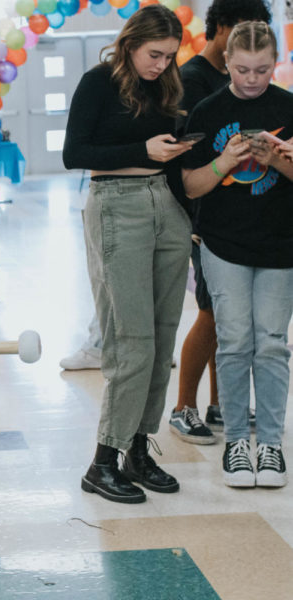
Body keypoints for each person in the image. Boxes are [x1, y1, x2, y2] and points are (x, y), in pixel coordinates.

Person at [63, 5, 197, 504]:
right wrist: (144, 150)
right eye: (153, 54)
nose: (161, 64)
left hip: (166, 206)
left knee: (163, 342)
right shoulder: (98, 82)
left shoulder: (167, 86)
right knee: (132, 340)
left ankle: (138, 450)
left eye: (168, 56)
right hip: (117, 205)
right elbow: (75, 154)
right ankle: (103, 461)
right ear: (130, 43)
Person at [182, 20, 293, 488]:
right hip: (223, 244)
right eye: (243, 69)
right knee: (234, 341)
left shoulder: (288, 106)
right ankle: (236, 446)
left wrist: (280, 161)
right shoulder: (207, 111)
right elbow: (191, 185)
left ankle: (269, 443)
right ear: (225, 61)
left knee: (271, 341)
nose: (252, 79)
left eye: (263, 70)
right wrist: (225, 161)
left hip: (280, 246)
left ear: (275, 64)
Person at [167, 0, 269, 445]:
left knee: (228, 317)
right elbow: (187, 157)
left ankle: (218, 403)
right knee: (212, 314)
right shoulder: (193, 82)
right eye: (247, 30)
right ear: (224, 30)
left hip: (239, 218)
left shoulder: (238, 84)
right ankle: (183, 407)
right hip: (201, 217)